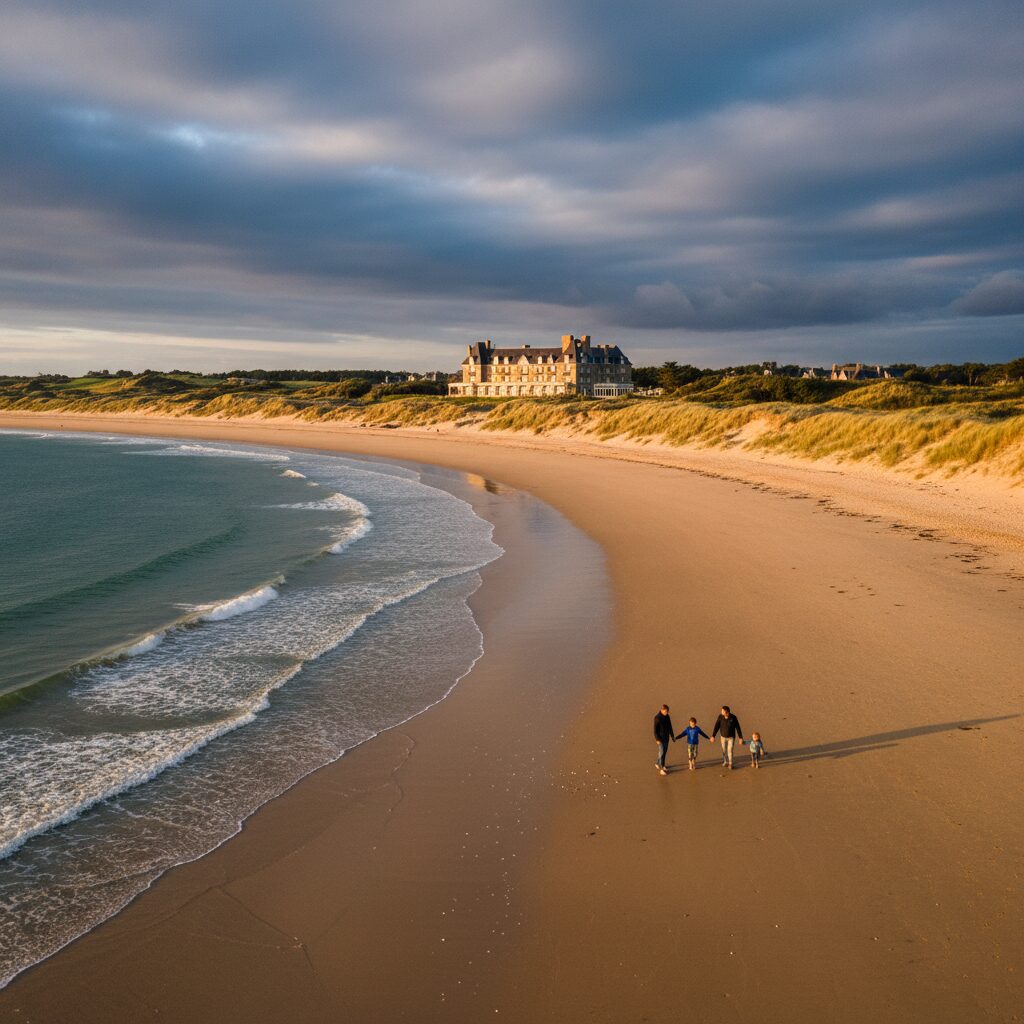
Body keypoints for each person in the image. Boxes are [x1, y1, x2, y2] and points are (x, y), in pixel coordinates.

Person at [653, 705, 675, 775]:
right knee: (662, 752)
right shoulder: (657, 718)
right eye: (666, 711)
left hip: (666, 737)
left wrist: (672, 736)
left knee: (664, 752)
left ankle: (660, 764)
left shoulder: (667, 716)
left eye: (668, 711)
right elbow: (655, 730)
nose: (667, 713)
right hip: (660, 738)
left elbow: (670, 726)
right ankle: (661, 769)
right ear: (662, 710)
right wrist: (657, 739)